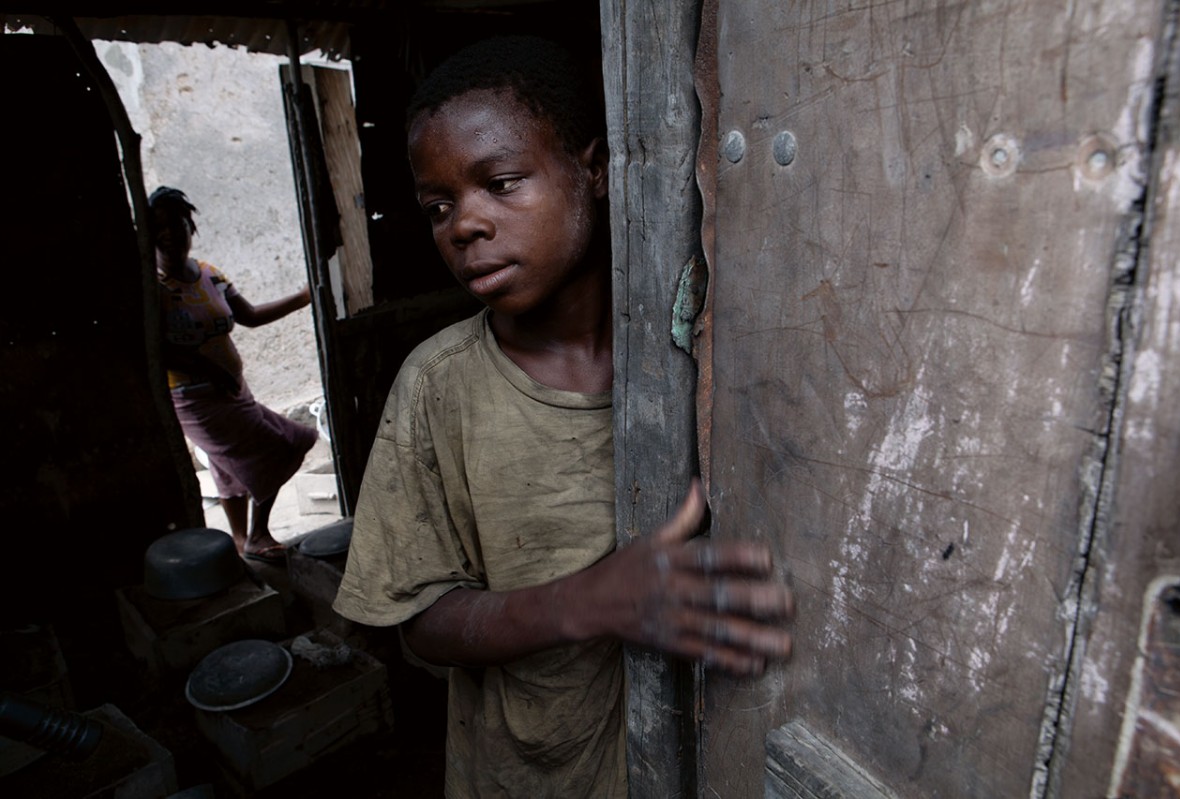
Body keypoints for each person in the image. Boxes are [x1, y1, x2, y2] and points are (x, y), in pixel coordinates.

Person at [332, 35, 794, 797]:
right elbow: (419, 620)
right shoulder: (437, 387)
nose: (464, 225)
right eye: (438, 206)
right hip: (532, 769)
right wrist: (588, 599)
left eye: (502, 183)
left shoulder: (696, 349)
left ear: (597, 169)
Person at [150, 186, 318, 563]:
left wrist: (306, 296)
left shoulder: (208, 274)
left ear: (190, 226)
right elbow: (157, 351)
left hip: (232, 390)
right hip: (194, 399)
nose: (170, 234)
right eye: (158, 227)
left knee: (228, 474)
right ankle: (258, 536)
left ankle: (242, 543)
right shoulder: (151, 289)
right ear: (148, 235)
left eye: (177, 224)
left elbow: (251, 316)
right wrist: (210, 369)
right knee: (284, 445)